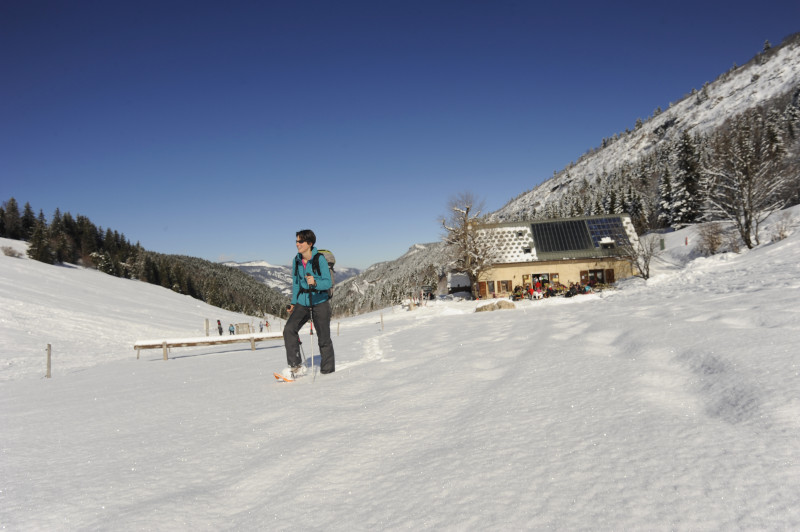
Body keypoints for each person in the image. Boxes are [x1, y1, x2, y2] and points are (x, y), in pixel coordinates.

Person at [283, 229, 335, 375]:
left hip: (320, 301)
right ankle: (295, 366)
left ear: (310, 243)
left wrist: (315, 282)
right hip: (302, 302)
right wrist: (293, 302)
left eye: (300, 241)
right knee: (289, 330)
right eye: (296, 241)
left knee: (323, 338)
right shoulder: (296, 260)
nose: (297, 244)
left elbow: (328, 283)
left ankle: (328, 371)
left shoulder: (320, 259)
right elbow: (296, 283)